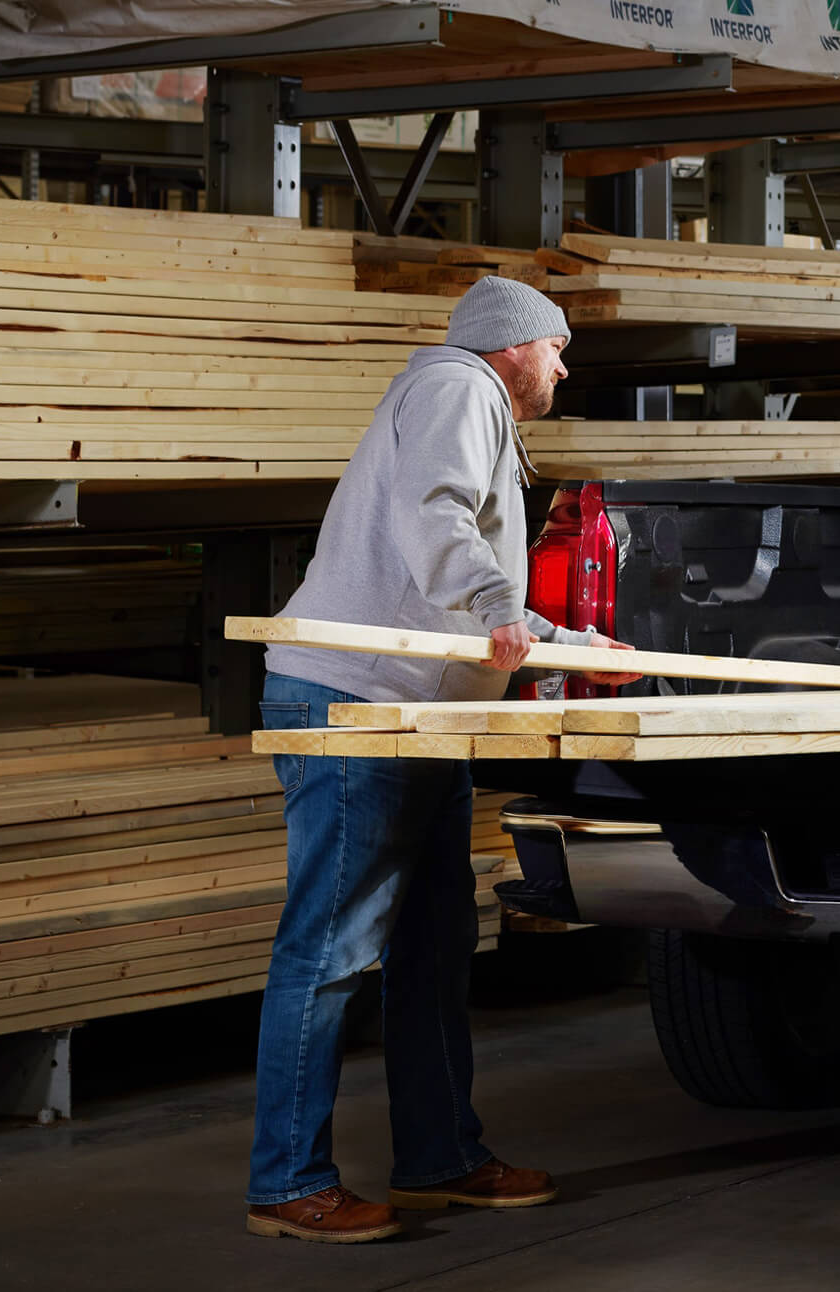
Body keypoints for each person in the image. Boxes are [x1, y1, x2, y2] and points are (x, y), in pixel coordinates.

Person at [243, 277, 643, 1244]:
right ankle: (286, 1183)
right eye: (556, 348)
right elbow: (438, 519)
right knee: (332, 950)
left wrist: (568, 644)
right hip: (358, 709)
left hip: (421, 720)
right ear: (513, 346)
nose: (563, 365)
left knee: (431, 949)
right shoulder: (462, 387)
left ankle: (440, 1158)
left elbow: (458, 576)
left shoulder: (470, 406)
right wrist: (504, 610)